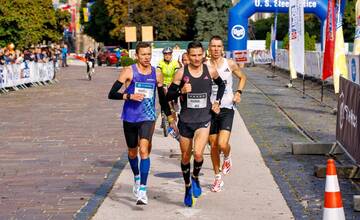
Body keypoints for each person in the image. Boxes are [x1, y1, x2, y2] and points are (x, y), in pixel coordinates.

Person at [108, 42, 176, 205]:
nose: (147, 57)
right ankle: (137, 177)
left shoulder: (156, 73)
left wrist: (170, 117)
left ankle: (143, 190)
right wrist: (129, 96)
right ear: (136, 56)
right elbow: (111, 94)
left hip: (148, 117)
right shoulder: (129, 71)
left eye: (149, 54)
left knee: (144, 150)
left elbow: (163, 98)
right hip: (130, 118)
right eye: (143, 54)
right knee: (132, 153)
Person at [166, 41, 225, 207]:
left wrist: (217, 102)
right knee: (186, 156)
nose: (197, 58)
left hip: (204, 119)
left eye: (199, 55)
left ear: (203, 54)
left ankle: (196, 177)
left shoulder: (209, 70)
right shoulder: (181, 73)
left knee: (198, 154)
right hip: (185, 121)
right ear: (188, 55)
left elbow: (221, 85)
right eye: (193, 55)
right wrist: (180, 91)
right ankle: (187, 187)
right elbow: (168, 96)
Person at [206, 35, 247, 192]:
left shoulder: (229, 63)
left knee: (222, 144)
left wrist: (239, 92)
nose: (216, 49)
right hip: (210, 109)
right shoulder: (205, 65)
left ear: (222, 48)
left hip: (227, 107)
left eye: (218, 46)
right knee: (213, 145)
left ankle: (228, 157)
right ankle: (217, 178)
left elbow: (243, 77)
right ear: (209, 48)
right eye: (213, 46)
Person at [157, 47, 180, 116]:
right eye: (165, 54)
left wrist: (172, 83)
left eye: (169, 54)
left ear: (171, 55)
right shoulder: (161, 63)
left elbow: (177, 73)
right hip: (163, 83)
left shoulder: (175, 63)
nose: (167, 56)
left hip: (173, 83)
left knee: (172, 98)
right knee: (164, 99)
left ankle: (175, 104)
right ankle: (164, 115)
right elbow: (158, 71)